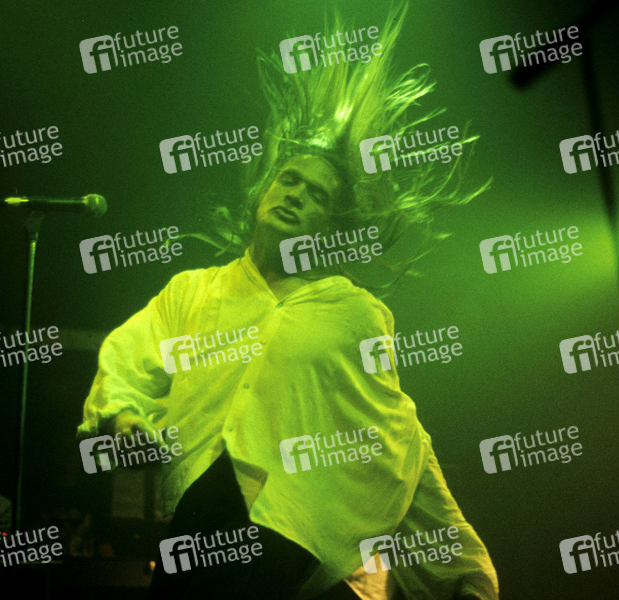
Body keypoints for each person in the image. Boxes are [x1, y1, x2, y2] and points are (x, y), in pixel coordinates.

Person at [78, 5, 498, 599]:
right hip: (194, 520)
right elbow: (128, 358)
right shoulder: (194, 291)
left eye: (317, 195)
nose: (296, 195)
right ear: (263, 191)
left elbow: (398, 439)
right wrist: (123, 416)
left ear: (330, 223)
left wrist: (461, 567)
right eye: (289, 180)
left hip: (287, 531)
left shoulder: (353, 313)